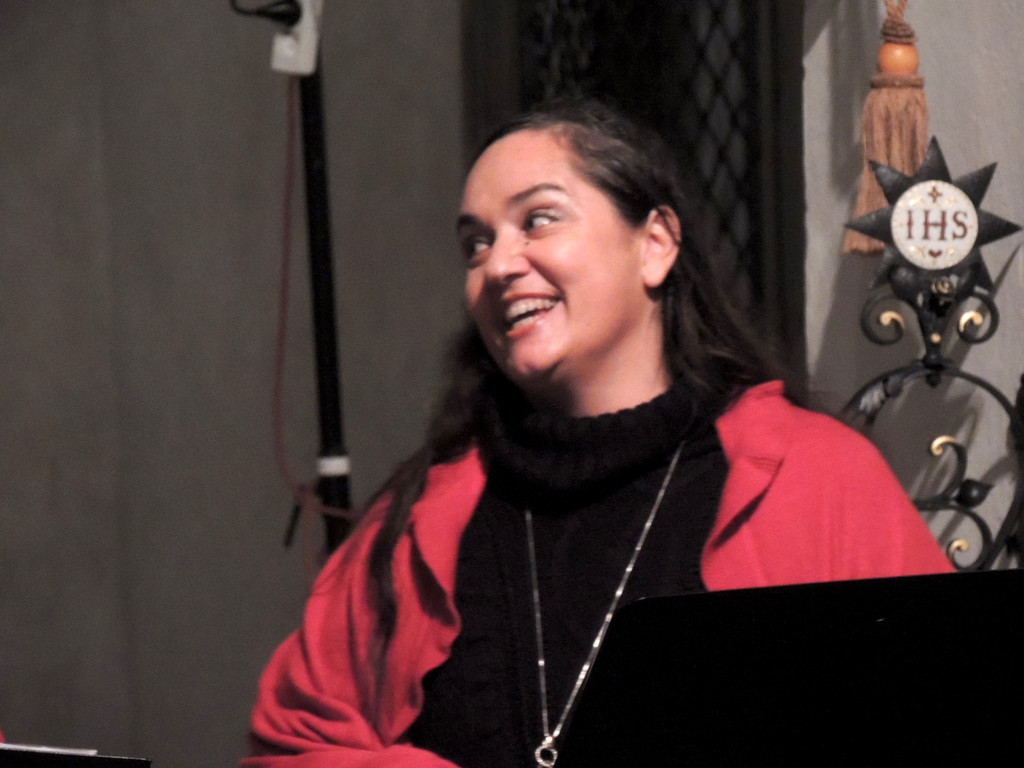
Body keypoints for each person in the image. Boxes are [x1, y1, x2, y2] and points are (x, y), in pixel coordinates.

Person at [242, 99, 951, 768]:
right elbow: (293, 745)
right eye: (475, 245)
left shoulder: (815, 478)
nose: (498, 264)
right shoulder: (416, 522)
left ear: (655, 245)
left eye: (538, 220)